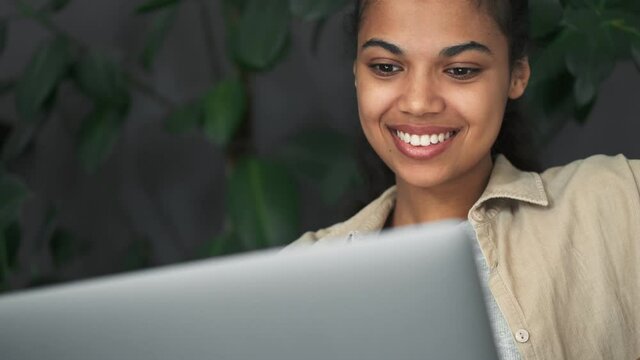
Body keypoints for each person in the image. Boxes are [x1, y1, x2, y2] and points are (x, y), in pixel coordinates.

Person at [289, 0, 640, 359]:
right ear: (356, 74)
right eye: (386, 66)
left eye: (459, 70)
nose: (419, 102)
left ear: (517, 74)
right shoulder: (298, 281)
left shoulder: (614, 202)